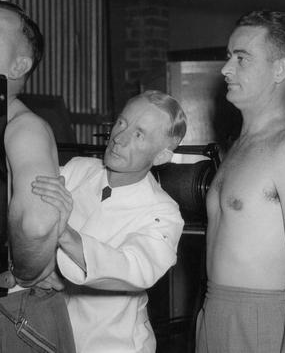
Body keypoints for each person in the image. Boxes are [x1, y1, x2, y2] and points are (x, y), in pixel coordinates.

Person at [196, 9, 285, 353]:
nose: (226, 69)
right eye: (228, 57)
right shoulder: (239, 146)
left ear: (279, 69)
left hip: (263, 319)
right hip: (216, 312)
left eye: (241, 59)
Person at [0, 1, 76, 353]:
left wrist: (25, 274)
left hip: (8, 317)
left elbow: (37, 222)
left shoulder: (24, 128)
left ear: (19, 65)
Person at [31, 90, 187, 353]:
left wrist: (64, 234)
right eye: (121, 123)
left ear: (160, 156)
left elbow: (135, 268)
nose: (119, 138)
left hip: (112, 344)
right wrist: (37, 270)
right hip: (45, 332)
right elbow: (27, 209)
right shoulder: (78, 170)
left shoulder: (163, 212)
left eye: (138, 134)